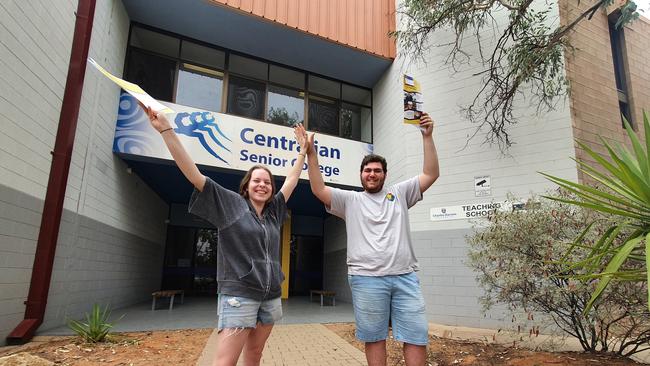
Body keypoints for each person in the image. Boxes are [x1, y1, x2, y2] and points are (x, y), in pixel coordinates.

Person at [141, 106, 309, 366]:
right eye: (257, 181)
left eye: (267, 182)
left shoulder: (275, 210)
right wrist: (166, 130)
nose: (262, 185)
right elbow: (194, 175)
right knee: (225, 361)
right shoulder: (230, 204)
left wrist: (303, 151)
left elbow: (292, 180)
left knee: (254, 355)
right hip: (239, 295)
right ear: (246, 185)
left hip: (270, 296)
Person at [306, 112, 439, 366]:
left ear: (385, 175)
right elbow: (318, 189)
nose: (372, 174)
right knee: (374, 338)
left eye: (377, 170)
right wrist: (312, 155)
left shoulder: (399, 193)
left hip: (405, 278)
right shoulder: (350, 201)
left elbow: (430, 174)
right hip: (367, 280)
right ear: (361, 175)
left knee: (416, 336)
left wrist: (427, 137)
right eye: (367, 170)